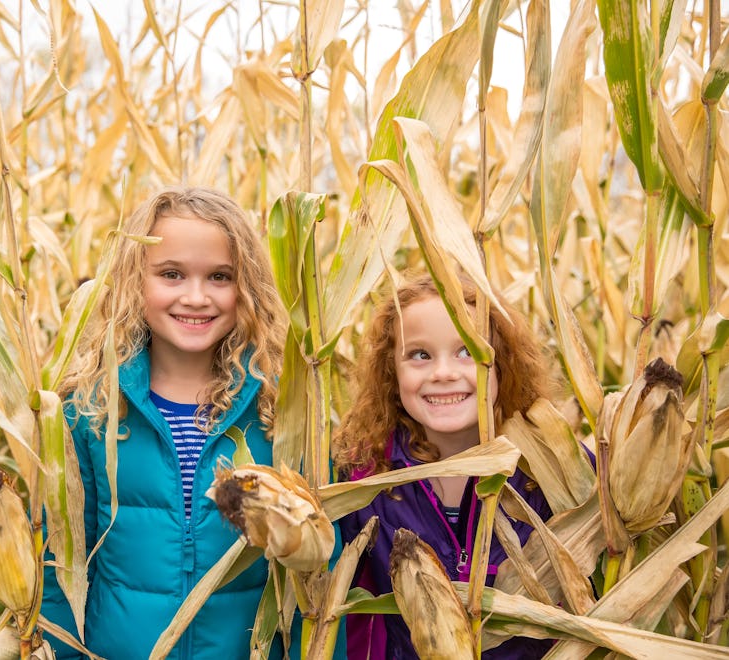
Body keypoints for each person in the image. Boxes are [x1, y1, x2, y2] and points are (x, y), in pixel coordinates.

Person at [41, 186, 290, 659]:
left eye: (220, 277)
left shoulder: (280, 410)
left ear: (247, 289)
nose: (196, 297)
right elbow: (61, 566)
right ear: (136, 281)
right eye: (171, 274)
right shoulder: (89, 411)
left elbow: (316, 570)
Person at [333, 274, 561, 659]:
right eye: (420, 355)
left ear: (502, 363)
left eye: (466, 351)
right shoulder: (363, 478)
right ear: (392, 371)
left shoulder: (548, 475)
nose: (442, 373)